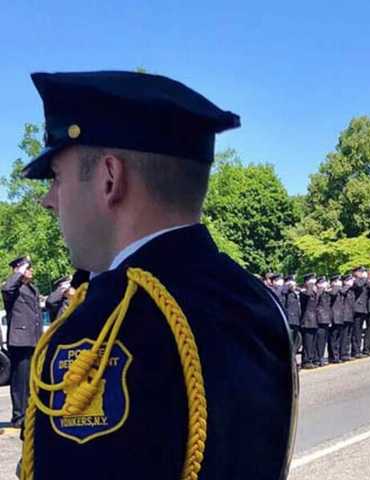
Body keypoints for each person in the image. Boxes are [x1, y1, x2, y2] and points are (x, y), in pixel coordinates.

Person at [21, 71, 295, 479]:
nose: (48, 200)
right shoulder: (257, 300)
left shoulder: (101, 329)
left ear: (110, 178)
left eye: (57, 178)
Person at [1, 256, 42, 429]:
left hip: (33, 339)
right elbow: (8, 287)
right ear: (18, 270)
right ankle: (19, 416)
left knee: (32, 379)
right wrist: (19, 271)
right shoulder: (11, 287)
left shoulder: (31, 288)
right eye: (27, 268)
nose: (31, 270)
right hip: (20, 340)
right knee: (20, 380)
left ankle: (30, 413)